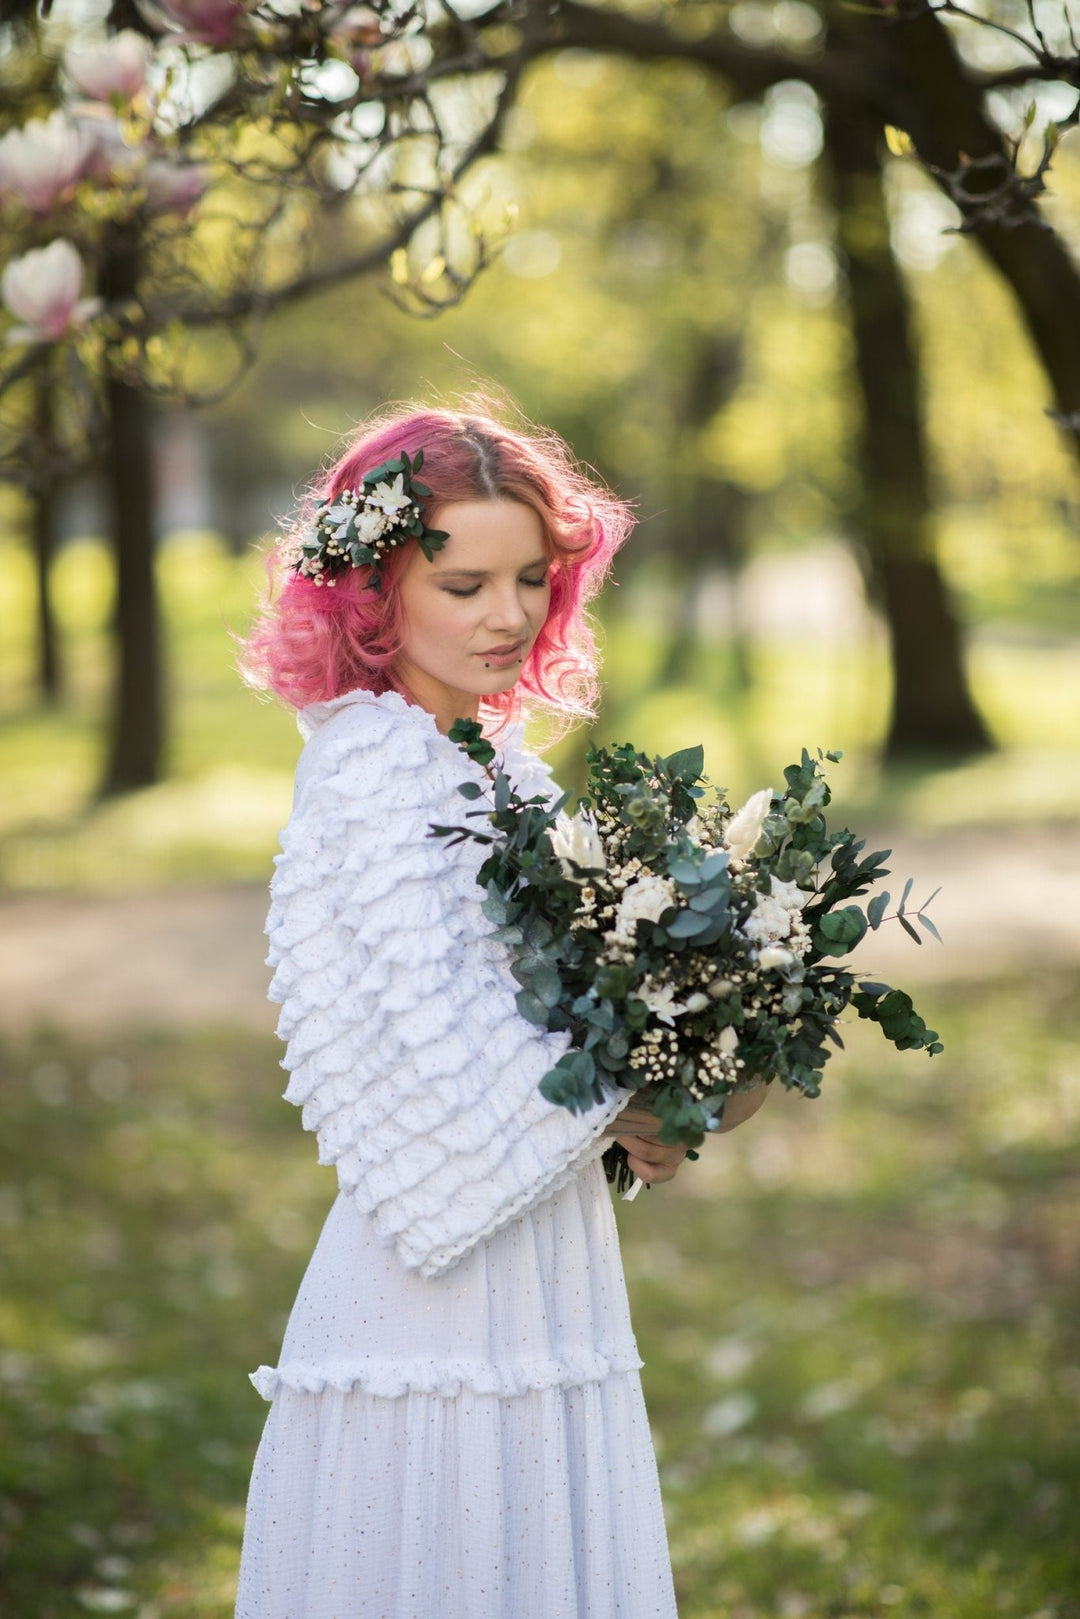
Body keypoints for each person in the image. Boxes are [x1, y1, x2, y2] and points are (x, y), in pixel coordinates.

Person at [234, 402, 765, 1618]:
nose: (509, 614)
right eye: (464, 583)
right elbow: (435, 1057)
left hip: (539, 1249)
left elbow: (556, 1012)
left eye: (531, 577)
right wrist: (623, 1097)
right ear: (376, 589)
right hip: (439, 1295)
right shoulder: (372, 766)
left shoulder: (492, 762)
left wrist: (696, 1069)